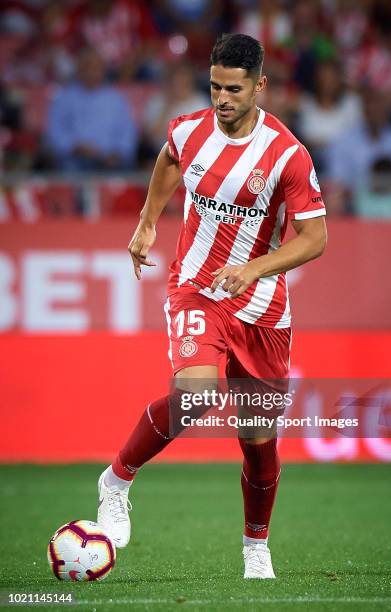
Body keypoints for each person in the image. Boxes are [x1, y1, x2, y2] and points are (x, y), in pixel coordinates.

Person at [97, 33, 327, 579]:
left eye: (233, 89)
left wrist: (253, 268)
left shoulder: (287, 154)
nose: (221, 99)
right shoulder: (188, 130)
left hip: (263, 305)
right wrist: (148, 221)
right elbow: (170, 160)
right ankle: (117, 480)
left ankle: (255, 547)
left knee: (258, 439)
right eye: (214, 87)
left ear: (260, 86)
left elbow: (314, 238)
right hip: (197, 286)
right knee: (195, 397)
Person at [45, 48, 137, 171]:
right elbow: (55, 133)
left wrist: (116, 153)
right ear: (79, 69)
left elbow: (127, 134)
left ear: (103, 70)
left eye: (96, 67)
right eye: (87, 66)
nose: (91, 71)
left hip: (110, 159)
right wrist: (75, 147)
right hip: (76, 157)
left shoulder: (116, 99)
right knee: (70, 168)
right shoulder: (64, 98)